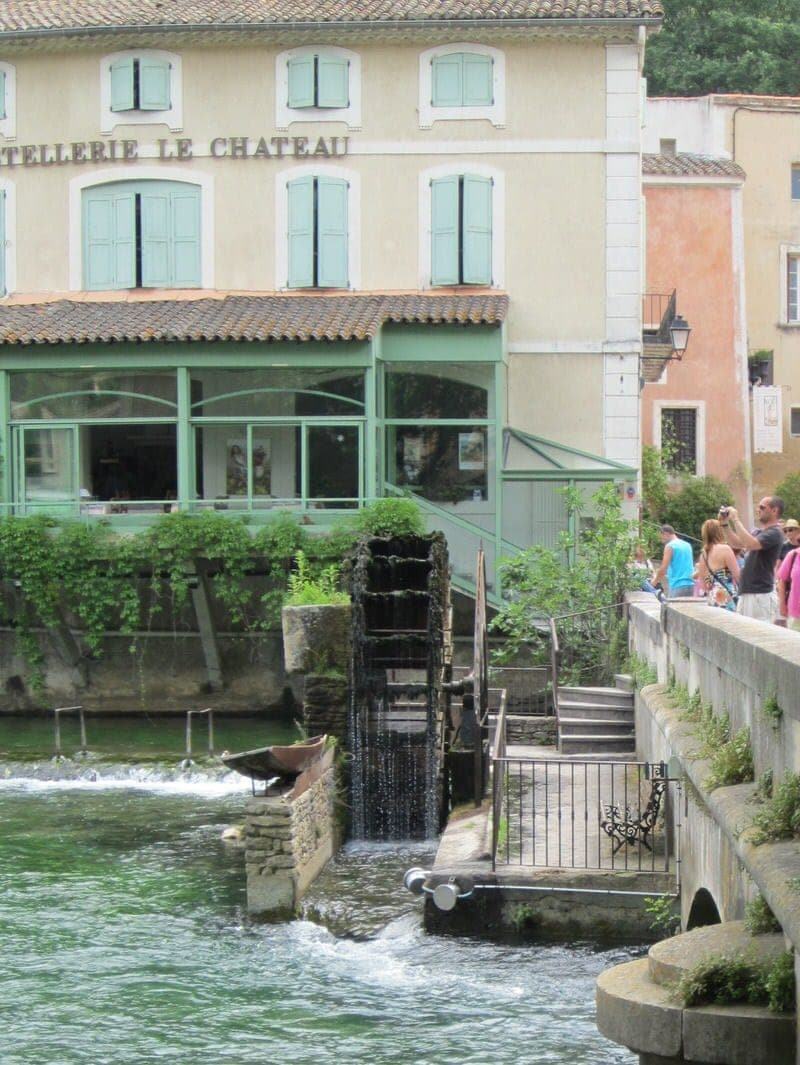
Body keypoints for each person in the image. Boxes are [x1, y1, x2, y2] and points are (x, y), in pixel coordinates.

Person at [720, 497, 785, 622]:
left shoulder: (775, 532)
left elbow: (751, 544)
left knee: (760, 637)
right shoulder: (760, 533)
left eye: (762, 507)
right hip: (748, 592)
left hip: (760, 594)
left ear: (774, 510)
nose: (758, 510)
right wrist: (724, 524)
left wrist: (735, 519)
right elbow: (737, 543)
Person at [695, 519, 739, 610]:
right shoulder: (725, 549)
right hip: (727, 595)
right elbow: (737, 575)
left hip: (712, 597)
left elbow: (702, 583)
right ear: (719, 531)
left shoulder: (703, 554)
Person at [652, 525, 695, 598]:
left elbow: (663, 569)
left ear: (666, 534)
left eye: (661, 537)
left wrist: (654, 582)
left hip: (677, 585)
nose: (661, 540)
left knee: (672, 609)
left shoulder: (670, 546)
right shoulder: (687, 545)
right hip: (691, 585)